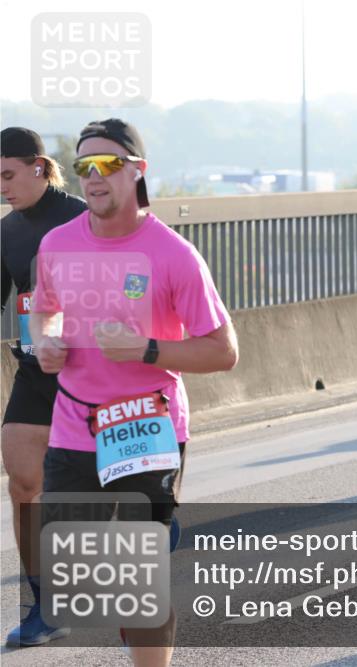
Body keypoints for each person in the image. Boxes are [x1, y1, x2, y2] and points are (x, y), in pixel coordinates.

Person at [31, 118, 239, 665]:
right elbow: (45, 310)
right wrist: (47, 341)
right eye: (84, 167)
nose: (94, 177)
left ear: (138, 171)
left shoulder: (174, 255)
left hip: (147, 426)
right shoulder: (56, 244)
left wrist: (146, 350)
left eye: (108, 164)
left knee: (140, 577)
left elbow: (222, 351)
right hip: (76, 425)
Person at [1, 127, 87, 647]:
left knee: (104, 489)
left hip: (96, 373)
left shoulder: (84, 215)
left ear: (37, 166)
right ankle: (46, 605)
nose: (2, 187)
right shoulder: (7, 232)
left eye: (8, 175)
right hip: (36, 372)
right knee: (23, 481)